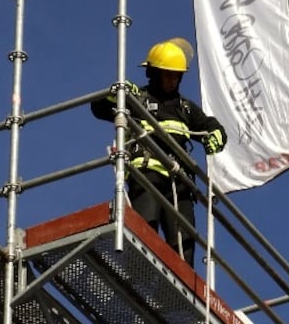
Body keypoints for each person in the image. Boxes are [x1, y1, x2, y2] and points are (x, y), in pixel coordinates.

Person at [91, 38, 227, 266]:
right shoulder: (138, 99)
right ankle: (140, 276)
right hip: (147, 174)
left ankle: (180, 283)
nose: (172, 80)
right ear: (154, 73)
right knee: (146, 230)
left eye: (176, 76)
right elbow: (98, 107)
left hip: (180, 183)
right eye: (167, 75)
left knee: (183, 245)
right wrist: (118, 94)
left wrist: (216, 136)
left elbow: (211, 126)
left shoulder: (185, 108)